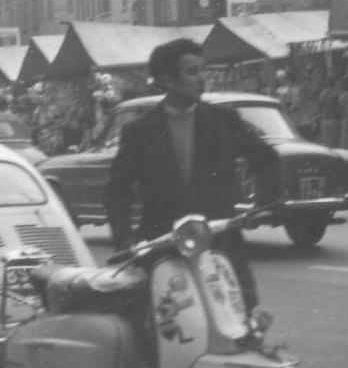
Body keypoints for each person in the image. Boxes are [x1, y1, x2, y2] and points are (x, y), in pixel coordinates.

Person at [105, 39, 270, 318]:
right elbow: (117, 191)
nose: (201, 80)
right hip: (163, 253)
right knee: (167, 331)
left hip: (222, 249)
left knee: (239, 324)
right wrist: (125, 240)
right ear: (167, 79)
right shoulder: (140, 131)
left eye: (201, 70)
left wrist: (263, 206)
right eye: (192, 72)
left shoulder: (223, 120)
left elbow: (265, 159)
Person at [316, 76, 342, 148]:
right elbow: (337, 108)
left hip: (324, 118)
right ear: (334, 84)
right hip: (334, 119)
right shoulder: (336, 94)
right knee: (334, 141)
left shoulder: (323, 93)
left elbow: (320, 106)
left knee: (326, 141)